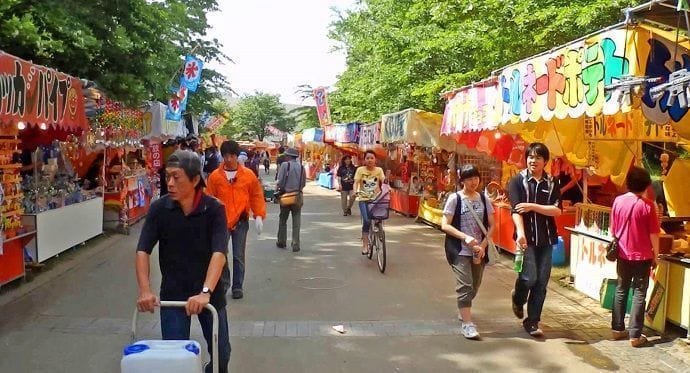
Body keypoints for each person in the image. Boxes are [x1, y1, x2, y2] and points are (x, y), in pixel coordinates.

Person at [135, 150, 231, 373]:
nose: (169, 183)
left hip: (209, 296)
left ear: (195, 179)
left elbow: (219, 253)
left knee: (221, 356)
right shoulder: (160, 209)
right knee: (174, 360)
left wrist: (205, 291)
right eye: (167, 176)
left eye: (176, 177)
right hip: (174, 295)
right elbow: (142, 250)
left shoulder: (214, 209)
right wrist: (145, 290)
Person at [508, 142, 561, 338]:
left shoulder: (552, 183)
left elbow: (557, 210)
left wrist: (532, 206)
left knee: (541, 281)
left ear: (545, 161)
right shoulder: (516, 182)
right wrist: (520, 233)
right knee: (529, 277)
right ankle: (518, 296)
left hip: (547, 238)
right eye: (530, 156)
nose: (533, 160)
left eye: (538, 157)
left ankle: (532, 321)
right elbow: (516, 210)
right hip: (526, 239)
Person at [206, 141, 267, 300]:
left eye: (232, 155)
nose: (228, 159)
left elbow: (256, 195)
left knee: (239, 255)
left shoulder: (248, 175)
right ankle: (225, 284)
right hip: (221, 222)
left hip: (241, 221)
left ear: (237, 156)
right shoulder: (215, 177)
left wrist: (259, 214)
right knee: (221, 254)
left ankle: (237, 286)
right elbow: (209, 199)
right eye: (225, 155)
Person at [441, 164, 495, 340]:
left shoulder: (484, 199)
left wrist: (484, 244)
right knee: (465, 285)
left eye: (476, 178)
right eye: (469, 178)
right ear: (462, 180)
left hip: (479, 250)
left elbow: (492, 224)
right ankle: (467, 324)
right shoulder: (454, 199)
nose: (474, 182)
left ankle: (463, 307)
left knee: (475, 285)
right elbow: (445, 224)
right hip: (460, 250)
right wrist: (465, 238)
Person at [610, 166, 659, 347]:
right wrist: (657, 255)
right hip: (643, 255)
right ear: (646, 185)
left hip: (622, 253)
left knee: (621, 289)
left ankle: (617, 329)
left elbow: (613, 229)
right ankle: (635, 335)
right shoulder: (648, 206)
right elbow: (654, 234)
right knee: (639, 292)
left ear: (628, 183)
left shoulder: (618, 201)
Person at [354, 150, 385, 256]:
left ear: (375, 160)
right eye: (367, 158)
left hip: (376, 199)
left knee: (379, 217)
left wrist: (387, 188)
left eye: (372, 158)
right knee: (367, 221)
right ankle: (365, 245)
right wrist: (355, 191)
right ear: (364, 160)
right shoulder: (360, 170)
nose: (370, 160)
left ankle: (378, 231)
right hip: (363, 199)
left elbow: (384, 181)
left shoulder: (379, 170)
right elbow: (356, 182)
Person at [276, 147, 306, 252]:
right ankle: (295, 243)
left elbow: (279, 181)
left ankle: (281, 241)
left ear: (288, 156)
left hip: (286, 196)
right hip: (297, 196)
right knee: (296, 220)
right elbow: (303, 183)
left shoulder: (285, 165)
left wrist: (281, 189)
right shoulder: (302, 167)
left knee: (283, 219)